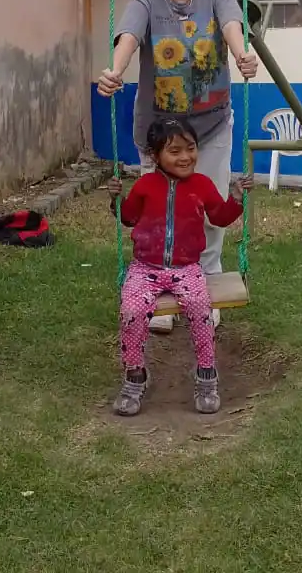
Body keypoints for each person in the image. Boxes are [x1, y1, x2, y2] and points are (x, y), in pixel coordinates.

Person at [96, 0, 259, 335]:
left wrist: (241, 54)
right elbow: (129, 35)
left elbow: (230, 26)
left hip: (211, 124)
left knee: (208, 207)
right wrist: (115, 71)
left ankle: (204, 286)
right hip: (158, 131)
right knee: (157, 214)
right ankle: (158, 296)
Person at [107, 118, 252, 416]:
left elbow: (221, 218)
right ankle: (135, 377)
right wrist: (116, 199)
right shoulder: (146, 185)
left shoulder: (202, 185)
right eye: (174, 151)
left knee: (201, 310)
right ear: (155, 155)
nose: (185, 157)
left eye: (190, 148)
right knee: (131, 312)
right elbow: (129, 218)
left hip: (187, 267)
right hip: (145, 267)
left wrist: (236, 197)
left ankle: (206, 377)